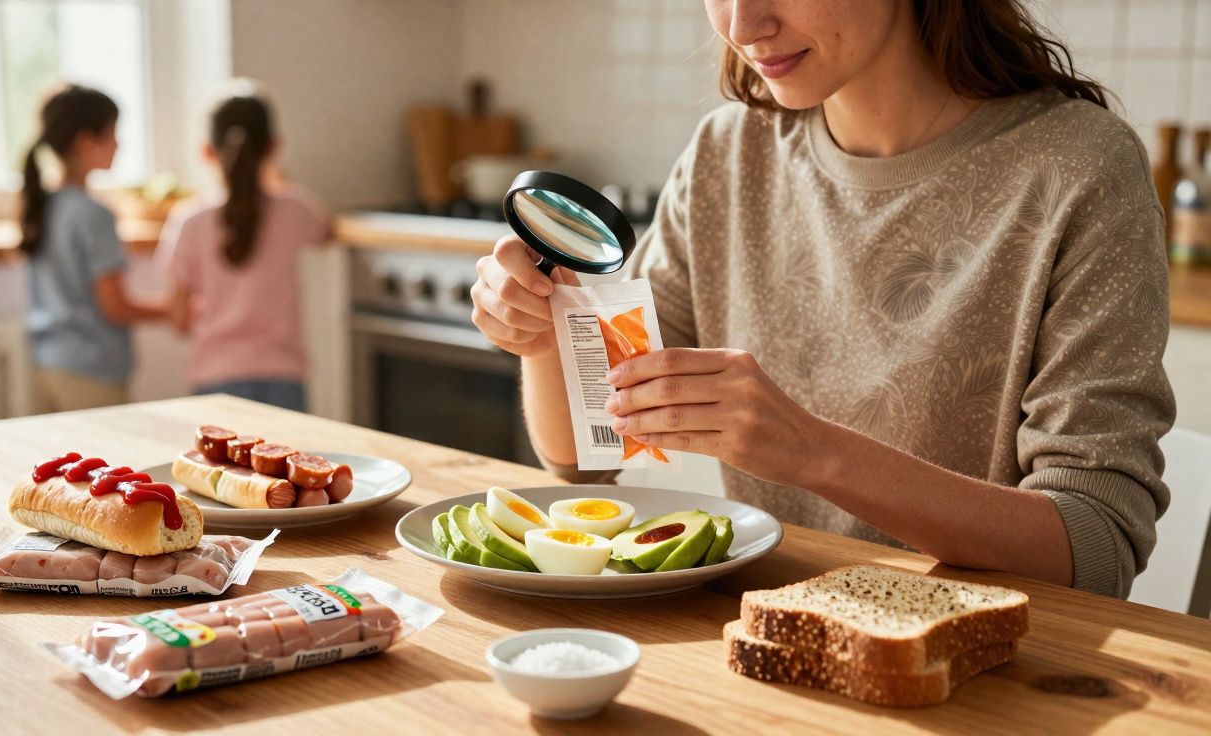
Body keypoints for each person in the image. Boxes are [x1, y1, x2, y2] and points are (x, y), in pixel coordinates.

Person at [470, 0, 1175, 598]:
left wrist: (810, 452)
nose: (744, 24)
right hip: (767, 649)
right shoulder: (727, 154)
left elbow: (1096, 545)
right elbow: (590, 456)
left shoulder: (1081, 167)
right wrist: (545, 341)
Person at [159, 80, 330, 412]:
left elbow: (178, 318)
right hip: (284, 379)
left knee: (220, 467)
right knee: (287, 464)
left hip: (215, 380)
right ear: (274, 148)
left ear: (206, 151)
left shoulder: (189, 220)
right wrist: (274, 174)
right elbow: (327, 230)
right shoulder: (295, 209)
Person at [20, 84, 165, 413]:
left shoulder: (43, 205)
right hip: (92, 373)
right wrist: (169, 310)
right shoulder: (92, 214)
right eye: (113, 133)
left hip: (48, 366)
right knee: (100, 465)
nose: (119, 144)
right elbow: (114, 306)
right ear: (85, 141)